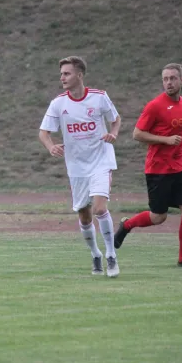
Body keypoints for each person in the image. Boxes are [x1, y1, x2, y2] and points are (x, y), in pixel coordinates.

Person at [113, 63, 182, 267]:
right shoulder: (155, 106)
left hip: (181, 167)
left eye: (173, 78)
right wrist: (165, 140)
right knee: (159, 217)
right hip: (158, 169)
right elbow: (137, 134)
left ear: (181, 80)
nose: (169, 82)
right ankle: (127, 225)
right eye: (165, 79)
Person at [39, 56, 122, 277]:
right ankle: (95, 254)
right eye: (61, 74)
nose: (62, 77)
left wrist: (113, 134)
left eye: (67, 73)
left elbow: (116, 119)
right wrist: (50, 147)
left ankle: (111, 255)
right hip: (76, 168)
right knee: (84, 216)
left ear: (79, 75)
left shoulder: (99, 98)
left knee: (100, 209)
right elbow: (44, 133)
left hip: (101, 161)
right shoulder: (58, 103)